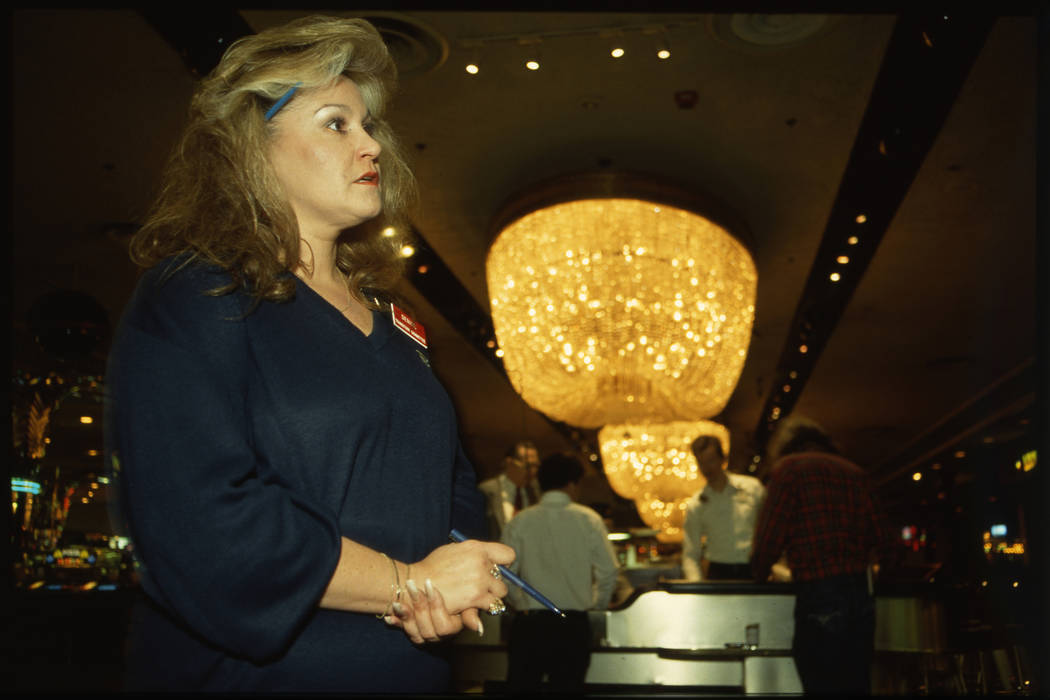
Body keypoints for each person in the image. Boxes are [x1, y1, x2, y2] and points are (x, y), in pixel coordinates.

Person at [103, 16, 514, 693]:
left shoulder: (394, 320)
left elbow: (450, 486)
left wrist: (458, 574)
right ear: (251, 151)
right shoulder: (195, 293)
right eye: (336, 123)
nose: (370, 144)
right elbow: (200, 520)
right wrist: (405, 582)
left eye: (368, 126)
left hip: (410, 670)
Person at [750, 415, 893, 695]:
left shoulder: (788, 470)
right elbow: (887, 541)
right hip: (860, 594)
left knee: (821, 683)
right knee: (856, 683)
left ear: (787, 444)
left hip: (819, 592)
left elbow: (770, 536)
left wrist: (759, 572)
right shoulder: (854, 472)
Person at [500, 453, 620, 694]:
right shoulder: (589, 519)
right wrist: (596, 603)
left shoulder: (520, 521)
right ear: (572, 484)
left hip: (529, 625)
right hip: (572, 625)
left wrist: (518, 601)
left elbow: (503, 572)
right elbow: (609, 571)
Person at [681, 435, 766, 581]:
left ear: (723, 459)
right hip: (719, 572)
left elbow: (769, 529)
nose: (707, 468)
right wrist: (696, 586)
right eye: (702, 463)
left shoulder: (752, 488)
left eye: (711, 461)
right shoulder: (696, 504)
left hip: (754, 568)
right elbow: (690, 553)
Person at [477, 440, 541, 540]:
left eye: (535, 465)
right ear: (509, 462)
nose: (532, 471)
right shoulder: (488, 490)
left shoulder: (536, 493)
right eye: (527, 466)